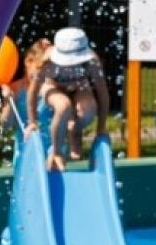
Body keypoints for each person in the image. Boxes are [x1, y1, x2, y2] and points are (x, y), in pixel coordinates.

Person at [25, 27, 109, 172]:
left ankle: (74, 129)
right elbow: (32, 92)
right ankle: (56, 152)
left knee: (87, 110)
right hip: (52, 85)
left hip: (80, 87)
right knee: (63, 106)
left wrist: (101, 128)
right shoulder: (47, 61)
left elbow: (103, 95)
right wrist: (32, 122)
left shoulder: (92, 63)